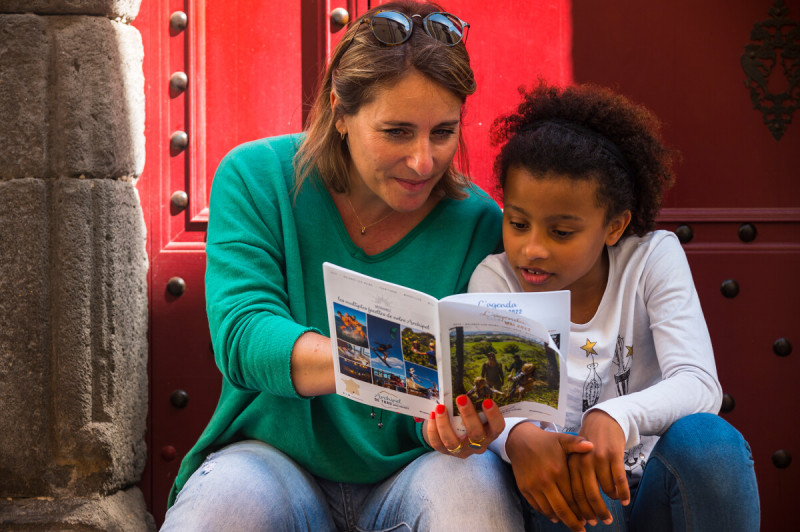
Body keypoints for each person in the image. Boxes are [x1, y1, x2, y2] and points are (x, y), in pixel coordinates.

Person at [160, 2, 558, 530]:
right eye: (396, 131)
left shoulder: (481, 221)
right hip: (271, 461)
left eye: (443, 132)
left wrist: (456, 425)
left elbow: (462, 401)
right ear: (339, 113)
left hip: (420, 468)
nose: (423, 161)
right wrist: (395, 362)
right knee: (221, 510)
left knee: (472, 495)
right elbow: (244, 336)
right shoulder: (258, 177)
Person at [466, 82, 760, 531]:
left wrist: (614, 414)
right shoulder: (496, 279)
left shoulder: (651, 258)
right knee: (574, 464)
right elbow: (494, 407)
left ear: (614, 225)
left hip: (661, 484)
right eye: (518, 223)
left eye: (561, 232)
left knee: (711, 441)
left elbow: (700, 383)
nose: (532, 248)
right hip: (572, 502)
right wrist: (516, 437)